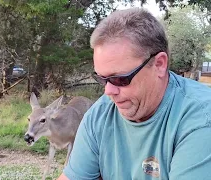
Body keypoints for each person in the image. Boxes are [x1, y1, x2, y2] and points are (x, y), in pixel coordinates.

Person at [57, 7, 211, 180]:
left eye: (120, 79)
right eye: (102, 79)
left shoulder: (201, 119)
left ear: (159, 64)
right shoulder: (100, 115)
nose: (108, 91)